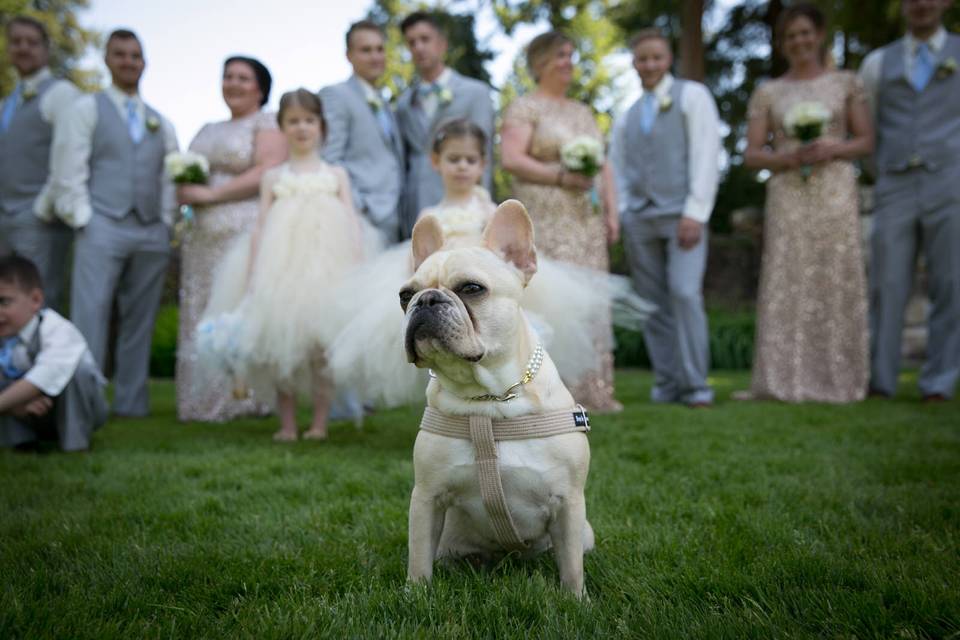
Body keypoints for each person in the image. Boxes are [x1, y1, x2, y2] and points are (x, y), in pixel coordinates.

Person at [322, 118, 649, 409]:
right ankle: (446, 408)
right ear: (436, 163)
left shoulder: (488, 208)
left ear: (482, 165)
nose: (462, 166)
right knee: (441, 345)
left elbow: (504, 240)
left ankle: (522, 401)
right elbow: (417, 267)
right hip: (449, 285)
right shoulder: (429, 214)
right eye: (454, 159)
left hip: (486, 287)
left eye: (470, 160)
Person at [202, 89, 367, 441]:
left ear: (321, 126)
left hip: (327, 265)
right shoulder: (273, 177)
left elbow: (351, 217)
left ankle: (320, 423)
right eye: (293, 121)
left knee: (321, 346)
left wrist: (356, 258)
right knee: (281, 345)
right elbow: (262, 224)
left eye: (309, 120)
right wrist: (253, 269)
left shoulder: (336, 173)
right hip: (281, 267)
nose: (302, 128)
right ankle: (288, 424)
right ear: (282, 128)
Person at [743, 6, 874, 403]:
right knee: (788, 279)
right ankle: (783, 378)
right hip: (788, 192)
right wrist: (785, 158)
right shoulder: (770, 92)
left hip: (834, 188)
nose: (799, 42)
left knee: (835, 275)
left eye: (805, 33)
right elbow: (751, 153)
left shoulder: (846, 82)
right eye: (791, 36)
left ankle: (840, 377)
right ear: (783, 44)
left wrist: (833, 148)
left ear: (819, 35)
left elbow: (866, 140)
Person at [50, 29, 178, 417]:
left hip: (150, 229)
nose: (128, 61)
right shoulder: (87, 109)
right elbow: (68, 166)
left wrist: (167, 224)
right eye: (120, 54)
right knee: (90, 314)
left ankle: (131, 403)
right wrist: (83, 217)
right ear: (107, 60)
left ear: (145, 62)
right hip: (102, 223)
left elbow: (170, 177)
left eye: (135, 55)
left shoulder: (160, 121)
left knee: (140, 320)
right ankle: (84, 401)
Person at [501, 31, 623, 413]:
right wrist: (559, 177)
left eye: (571, 55)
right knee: (550, 296)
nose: (568, 62)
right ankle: (544, 387)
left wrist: (611, 211)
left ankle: (593, 388)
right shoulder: (525, 108)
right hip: (546, 218)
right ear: (539, 63)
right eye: (560, 56)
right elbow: (512, 159)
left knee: (589, 300)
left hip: (584, 221)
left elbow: (604, 166)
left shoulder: (582, 112)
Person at [610, 29, 721, 408]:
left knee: (685, 293)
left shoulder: (692, 96)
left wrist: (695, 211)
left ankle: (696, 386)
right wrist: (625, 211)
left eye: (656, 57)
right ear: (634, 63)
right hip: (640, 218)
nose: (650, 65)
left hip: (682, 215)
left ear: (668, 58)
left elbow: (707, 155)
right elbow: (618, 169)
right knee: (651, 302)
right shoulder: (627, 116)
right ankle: (668, 382)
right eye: (643, 58)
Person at [174, 56, 286, 423]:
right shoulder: (207, 128)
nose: (233, 83)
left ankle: (244, 398)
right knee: (200, 305)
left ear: (260, 88)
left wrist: (211, 197)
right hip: (201, 236)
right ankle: (200, 399)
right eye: (228, 76)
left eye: (243, 77)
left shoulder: (266, 122)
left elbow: (267, 170)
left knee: (236, 303)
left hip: (243, 230)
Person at [859, 0, 960, 402]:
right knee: (886, 283)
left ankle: (937, 381)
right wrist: (884, 171)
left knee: (951, 283)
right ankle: (881, 380)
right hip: (895, 184)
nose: (921, 4)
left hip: (950, 184)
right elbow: (869, 127)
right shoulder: (876, 64)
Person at [0, 16, 82, 312]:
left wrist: (42, 208)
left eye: (31, 42)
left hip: (38, 218)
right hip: (4, 217)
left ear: (46, 50)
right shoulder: (8, 102)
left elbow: (69, 156)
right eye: (16, 41)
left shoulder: (61, 94)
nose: (23, 48)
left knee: (38, 305)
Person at [394, 11, 494, 238]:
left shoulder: (475, 92)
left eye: (425, 39)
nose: (419, 47)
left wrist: (482, 203)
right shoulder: (403, 103)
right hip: (417, 202)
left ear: (442, 44)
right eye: (412, 42)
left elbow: (483, 152)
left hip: (464, 201)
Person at [0, 254, 107, 452]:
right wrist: (16, 407)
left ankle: (75, 445)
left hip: (73, 409)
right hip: (26, 412)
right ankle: (21, 442)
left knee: (78, 371)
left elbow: (45, 375)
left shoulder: (58, 329)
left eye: (4, 302)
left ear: (36, 300)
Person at [319, 20, 404, 245]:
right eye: (366, 50)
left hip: (395, 215)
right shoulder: (336, 95)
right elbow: (329, 158)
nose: (375, 56)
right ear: (349, 55)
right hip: (363, 216)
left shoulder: (384, 102)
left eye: (379, 49)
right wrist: (360, 204)